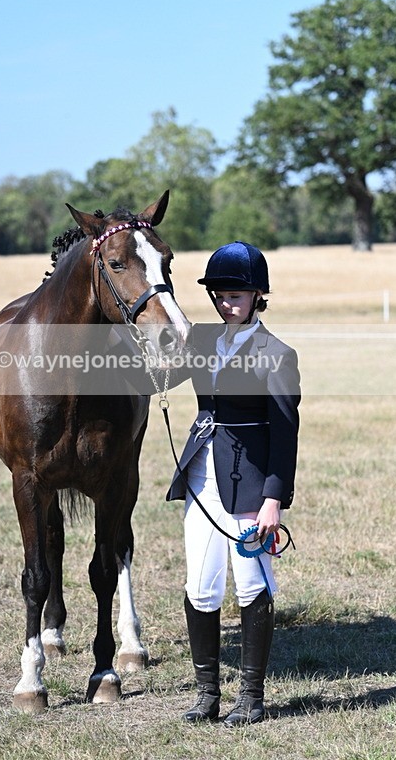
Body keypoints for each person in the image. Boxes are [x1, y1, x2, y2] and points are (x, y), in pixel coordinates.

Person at [166, 241, 301, 727]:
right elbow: (158, 373)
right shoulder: (202, 340)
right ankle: (207, 692)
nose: (227, 303)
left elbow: (285, 433)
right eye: (220, 295)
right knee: (200, 585)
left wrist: (273, 499)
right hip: (201, 474)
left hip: (250, 483)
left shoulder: (278, 354)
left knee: (250, 583)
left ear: (257, 296)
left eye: (237, 296)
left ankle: (251, 695)